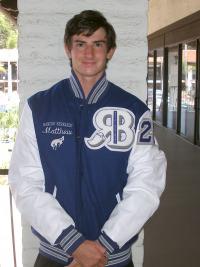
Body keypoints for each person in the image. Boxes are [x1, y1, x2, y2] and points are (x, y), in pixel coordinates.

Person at [9, 10, 167, 267]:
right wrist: (73, 243)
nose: (89, 53)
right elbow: (25, 182)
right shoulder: (39, 107)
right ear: (67, 49)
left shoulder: (135, 110)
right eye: (80, 44)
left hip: (111, 258)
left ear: (111, 51)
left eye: (98, 44)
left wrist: (101, 248)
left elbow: (147, 185)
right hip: (55, 254)